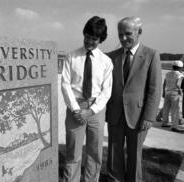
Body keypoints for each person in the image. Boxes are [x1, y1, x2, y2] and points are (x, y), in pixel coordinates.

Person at [106, 16, 162, 182]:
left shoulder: (151, 55)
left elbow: (155, 89)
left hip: (138, 116)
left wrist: (149, 116)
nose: (123, 38)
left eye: (128, 34)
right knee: (114, 151)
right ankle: (115, 179)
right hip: (115, 114)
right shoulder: (111, 56)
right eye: (120, 34)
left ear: (139, 32)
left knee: (134, 154)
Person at [61, 16, 113, 182]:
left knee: (95, 151)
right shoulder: (71, 57)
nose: (90, 41)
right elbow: (65, 84)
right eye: (87, 36)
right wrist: (76, 110)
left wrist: (90, 111)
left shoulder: (106, 61)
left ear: (101, 40)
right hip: (75, 107)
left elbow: (107, 91)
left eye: (94, 39)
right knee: (73, 150)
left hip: (96, 109)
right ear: (84, 34)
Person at [161, 60, 184, 132]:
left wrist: (164, 92)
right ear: (180, 68)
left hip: (167, 92)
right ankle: (174, 126)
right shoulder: (180, 75)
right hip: (175, 94)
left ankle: (165, 122)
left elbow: (164, 83)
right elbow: (178, 84)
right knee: (175, 110)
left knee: (166, 108)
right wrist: (180, 90)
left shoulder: (168, 73)